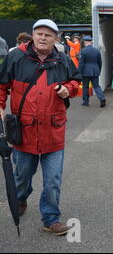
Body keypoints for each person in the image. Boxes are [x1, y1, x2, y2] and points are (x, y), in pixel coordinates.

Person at [0, 19, 81, 236]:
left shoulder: (63, 60)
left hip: (53, 131)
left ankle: (51, 218)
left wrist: (68, 89)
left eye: (48, 35)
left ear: (55, 38)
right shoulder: (16, 57)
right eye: (39, 33)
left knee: (53, 179)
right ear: (33, 35)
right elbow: (2, 86)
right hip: (24, 132)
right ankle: (22, 197)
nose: (43, 38)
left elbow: (76, 82)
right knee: (22, 177)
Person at [78, 35, 106, 107]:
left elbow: (81, 63)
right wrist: (99, 70)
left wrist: (78, 72)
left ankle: (86, 101)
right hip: (95, 70)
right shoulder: (96, 51)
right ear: (91, 42)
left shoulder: (83, 51)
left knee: (85, 87)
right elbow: (100, 62)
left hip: (85, 71)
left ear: (85, 42)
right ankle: (102, 98)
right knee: (96, 86)